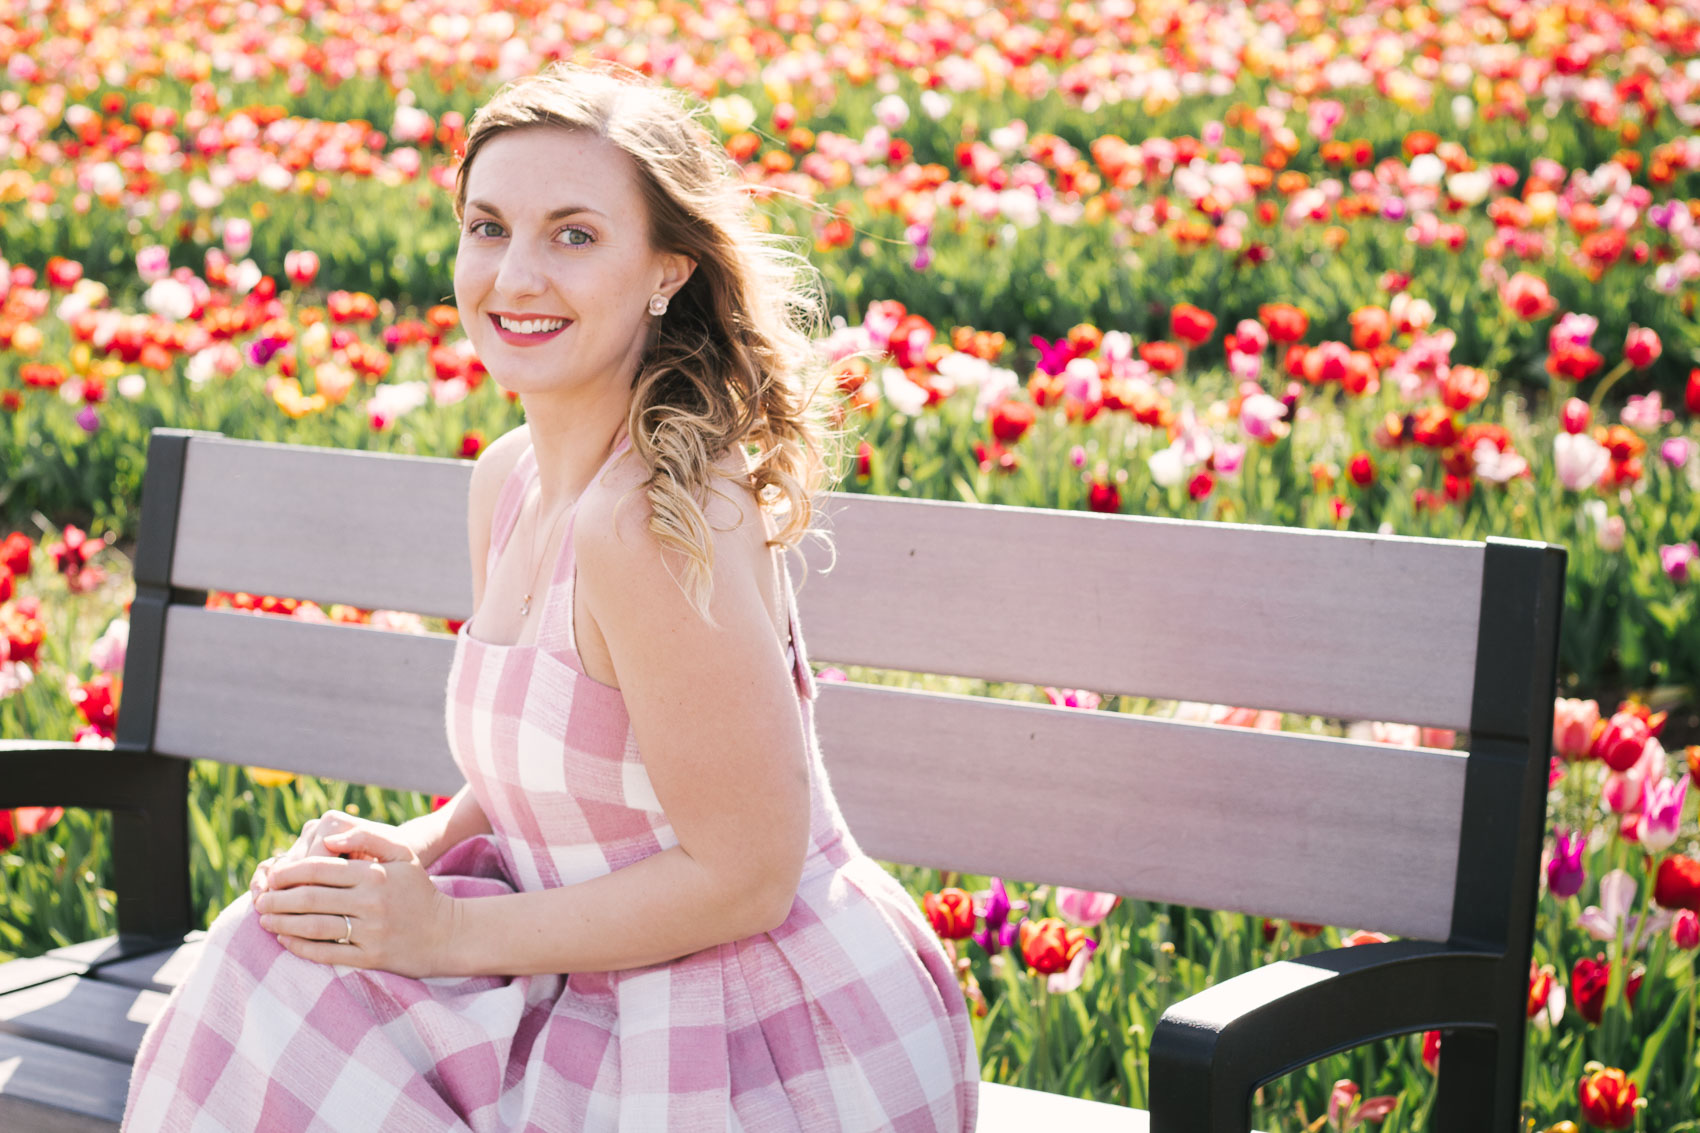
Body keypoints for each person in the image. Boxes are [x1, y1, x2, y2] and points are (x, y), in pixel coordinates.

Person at [121, 61, 980, 1131]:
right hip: (589, 971)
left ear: (666, 269)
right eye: (488, 228)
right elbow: (560, 764)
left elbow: (745, 879)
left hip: (751, 1033)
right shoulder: (510, 478)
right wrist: (421, 848)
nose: (515, 276)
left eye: (573, 235)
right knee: (275, 946)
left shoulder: (650, 526)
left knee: (284, 992)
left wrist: (436, 933)